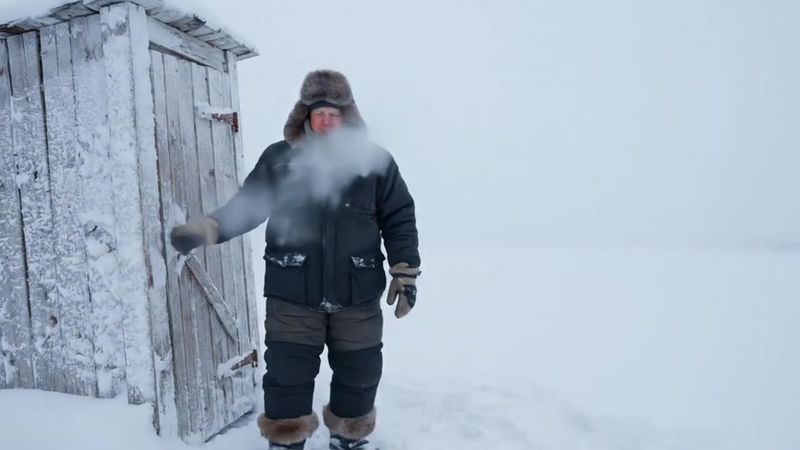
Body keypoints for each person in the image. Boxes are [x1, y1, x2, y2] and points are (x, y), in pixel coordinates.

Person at [170, 69, 420, 450]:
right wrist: (207, 229)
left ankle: (348, 439)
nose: (326, 120)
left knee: (360, 370)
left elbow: (399, 217)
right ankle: (286, 442)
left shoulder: (375, 163)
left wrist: (404, 273)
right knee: (287, 372)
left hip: (358, 291)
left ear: (347, 116)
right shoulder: (280, 159)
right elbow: (248, 207)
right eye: (319, 112)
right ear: (305, 114)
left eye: (334, 113)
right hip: (292, 289)